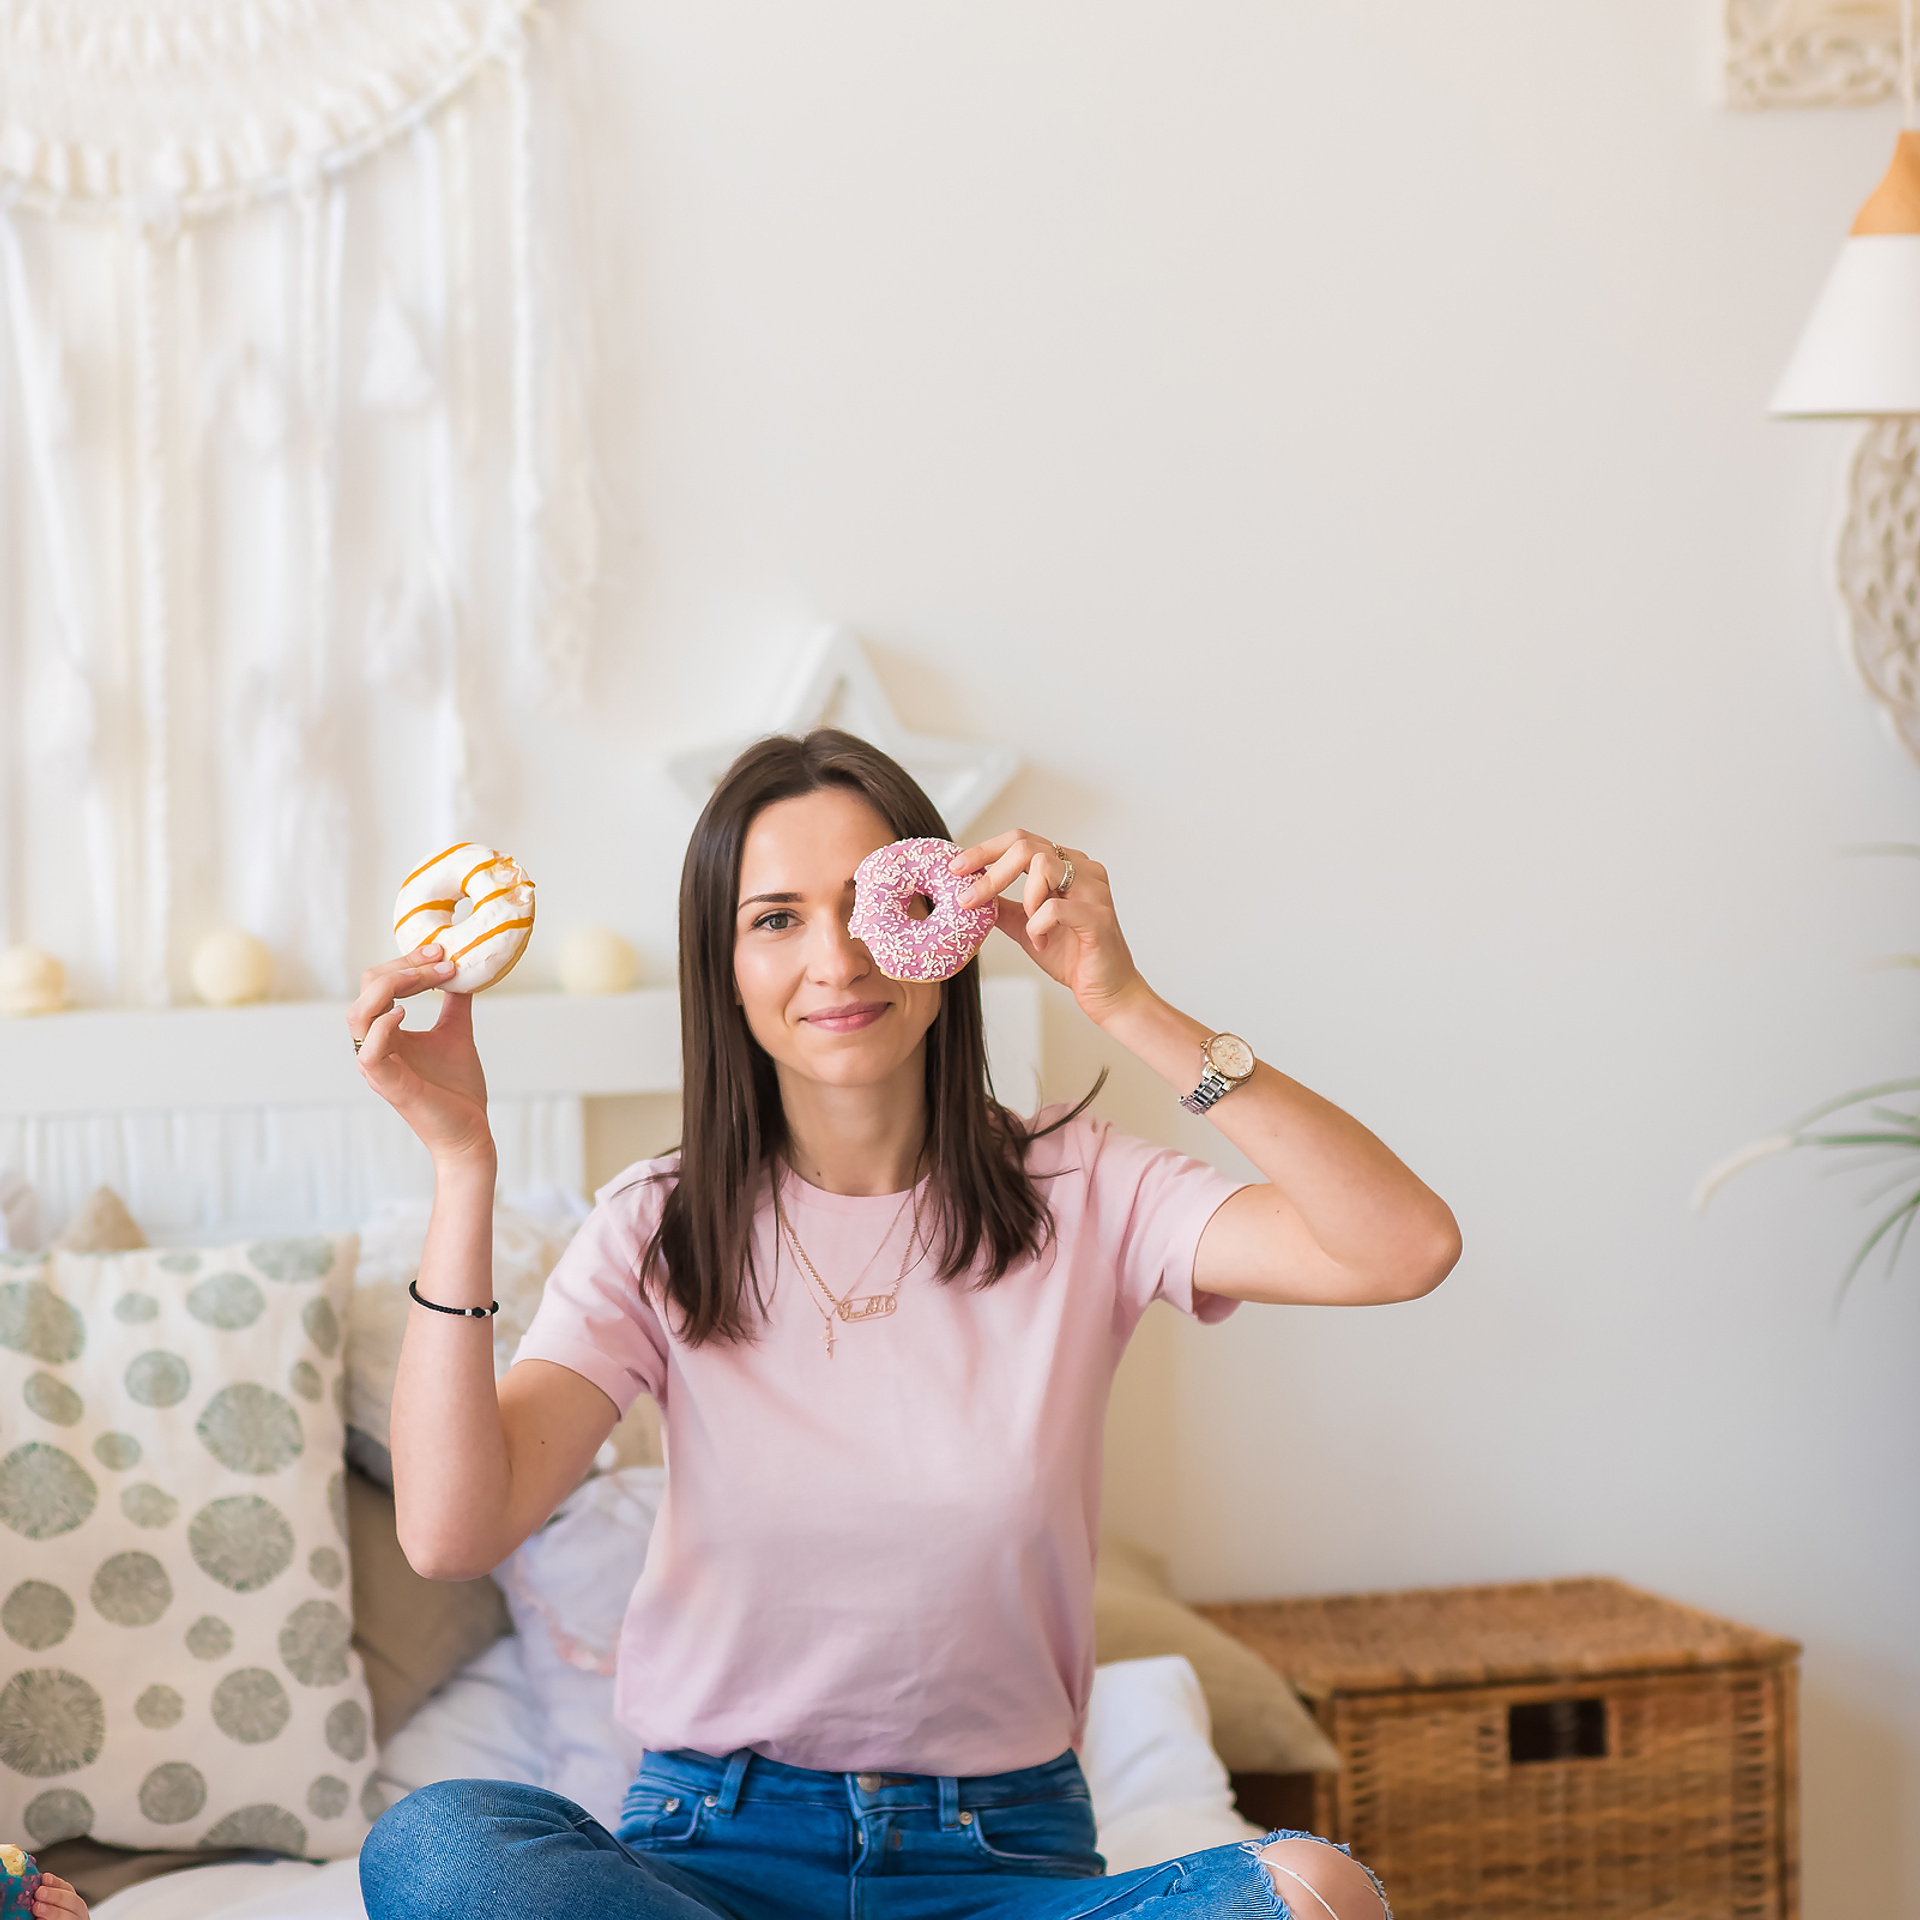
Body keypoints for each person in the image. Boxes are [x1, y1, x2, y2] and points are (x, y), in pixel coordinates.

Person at [353, 730, 1458, 1920]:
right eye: (775, 919)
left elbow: (1402, 1248)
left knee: (1315, 1890)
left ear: (953, 923)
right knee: (440, 1846)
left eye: (868, 904)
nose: (836, 959)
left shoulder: (1085, 1192)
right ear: (722, 968)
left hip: (1005, 1858)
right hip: (708, 1855)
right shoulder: (657, 1227)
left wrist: (1126, 1004)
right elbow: (453, 1529)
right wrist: (463, 1164)